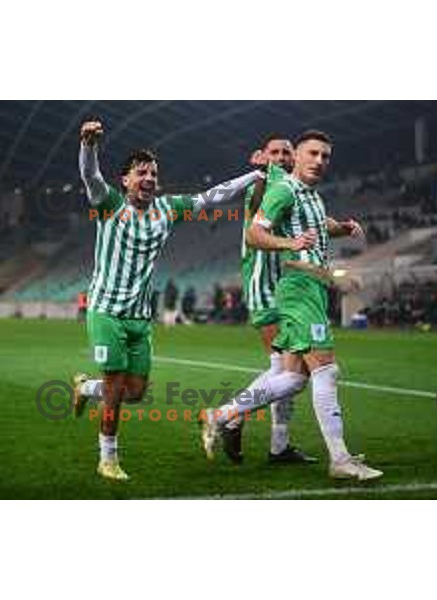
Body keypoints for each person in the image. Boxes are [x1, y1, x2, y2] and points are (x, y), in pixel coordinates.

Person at [72, 119, 264, 481]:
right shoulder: (110, 203)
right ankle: (108, 457)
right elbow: (90, 177)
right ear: (125, 180)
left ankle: (84, 388)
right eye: (140, 172)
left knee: (135, 391)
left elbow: (214, 197)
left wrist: (253, 176)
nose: (148, 178)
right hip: (105, 311)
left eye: (153, 173)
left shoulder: (167, 209)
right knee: (115, 386)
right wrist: (88, 145)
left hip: (140, 317)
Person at [202, 130, 382, 481]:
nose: (318, 160)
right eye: (311, 153)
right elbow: (255, 232)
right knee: (326, 370)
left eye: (325, 156)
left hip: (309, 286)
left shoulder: (310, 194)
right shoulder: (279, 188)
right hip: (294, 287)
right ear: (297, 158)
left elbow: (319, 225)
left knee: (293, 378)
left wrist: (343, 228)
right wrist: (290, 242)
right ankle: (340, 458)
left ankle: (222, 416)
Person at [225, 133, 317, 465]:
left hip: (287, 286)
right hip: (263, 285)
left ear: (294, 157)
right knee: (290, 371)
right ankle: (232, 415)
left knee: (285, 371)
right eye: (274, 152)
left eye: (286, 152)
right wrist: (262, 173)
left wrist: (343, 227)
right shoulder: (262, 184)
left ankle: (277, 444)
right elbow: (254, 206)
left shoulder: (297, 190)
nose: (280, 156)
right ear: (264, 156)